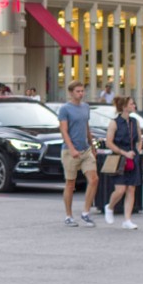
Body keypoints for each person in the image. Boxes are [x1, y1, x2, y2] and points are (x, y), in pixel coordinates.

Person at [57, 80, 99, 227]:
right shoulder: (65, 109)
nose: (81, 94)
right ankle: (68, 216)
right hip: (70, 151)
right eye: (78, 91)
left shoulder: (86, 107)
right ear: (71, 93)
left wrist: (92, 144)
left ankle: (85, 213)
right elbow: (64, 131)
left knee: (94, 179)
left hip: (85, 149)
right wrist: (72, 148)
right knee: (70, 184)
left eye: (82, 91)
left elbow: (86, 126)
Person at [103, 96, 143, 230]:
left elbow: (139, 138)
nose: (134, 106)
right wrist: (124, 153)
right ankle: (109, 207)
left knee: (131, 189)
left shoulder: (134, 121)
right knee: (120, 190)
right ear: (125, 107)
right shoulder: (114, 123)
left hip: (133, 158)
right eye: (132, 104)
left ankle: (127, 219)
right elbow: (109, 142)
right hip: (119, 158)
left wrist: (138, 149)